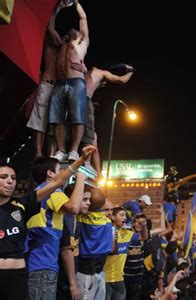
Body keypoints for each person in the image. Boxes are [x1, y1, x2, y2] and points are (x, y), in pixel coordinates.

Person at [0, 145, 95, 300]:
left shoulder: (22, 204)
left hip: (19, 275)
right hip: (40, 268)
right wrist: (81, 176)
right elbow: (73, 206)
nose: (10, 181)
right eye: (4, 177)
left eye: (13, 178)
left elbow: (58, 181)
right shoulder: (52, 195)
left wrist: (81, 161)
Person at [25, 156, 88, 300]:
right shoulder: (53, 190)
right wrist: (80, 179)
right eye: (60, 170)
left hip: (34, 265)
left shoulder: (36, 194)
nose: (64, 174)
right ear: (50, 174)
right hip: (44, 267)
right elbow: (74, 207)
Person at [49, 0, 90, 161]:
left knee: (77, 117)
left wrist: (76, 3)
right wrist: (58, 7)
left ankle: (73, 150)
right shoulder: (62, 44)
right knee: (56, 118)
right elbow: (50, 27)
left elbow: (83, 18)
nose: (71, 28)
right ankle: (60, 150)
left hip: (76, 83)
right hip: (60, 83)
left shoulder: (81, 42)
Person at [26, 1, 66, 158]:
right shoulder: (53, 47)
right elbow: (50, 26)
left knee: (54, 124)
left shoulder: (67, 55)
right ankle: (38, 153)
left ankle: (51, 154)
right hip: (47, 85)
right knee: (39, 122)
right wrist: (58, 8)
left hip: (58, 88)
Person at [82, 64, 135, 173]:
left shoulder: (85, 73)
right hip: (84, 101)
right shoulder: (101, 73)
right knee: (91, 137)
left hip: (74, 99)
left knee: (89, 135)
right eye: (105, 82)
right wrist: (131, 71)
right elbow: (122, 80)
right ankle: (87, 164)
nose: (104, 84)